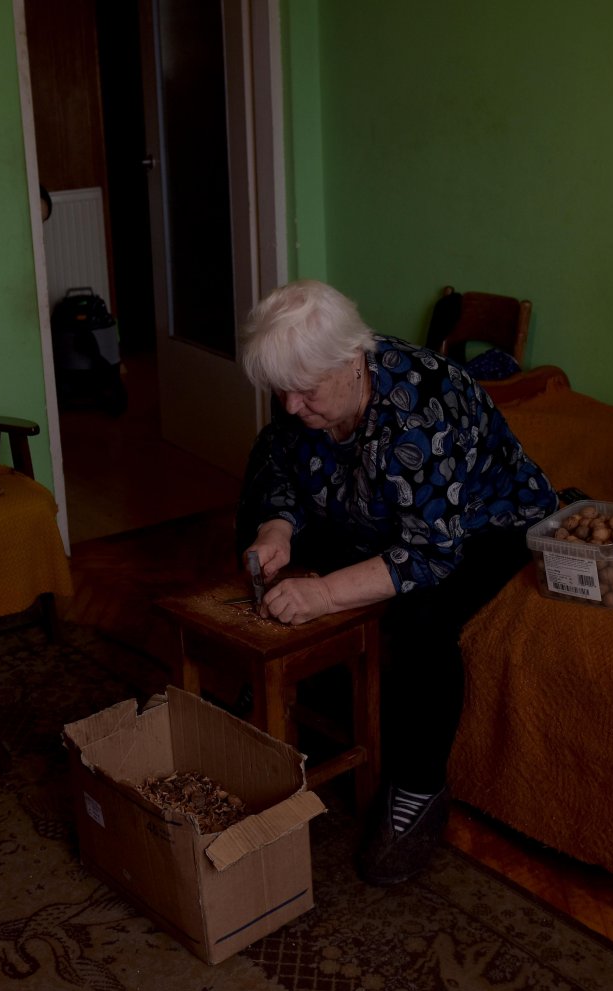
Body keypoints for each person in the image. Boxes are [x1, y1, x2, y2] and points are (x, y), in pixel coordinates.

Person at [236, 279, 557, 885]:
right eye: (280, 391)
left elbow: (429, 554)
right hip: (370, 513)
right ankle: (292, 685)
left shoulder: (423, 408)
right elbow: (280, 461)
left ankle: (418, 786)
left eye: (304, 392)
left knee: (422, 617)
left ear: (349, 361)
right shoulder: (306, 387)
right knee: (264, 540)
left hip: (478, 525)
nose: (290, 406)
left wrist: (324, 593)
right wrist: (276, 526)